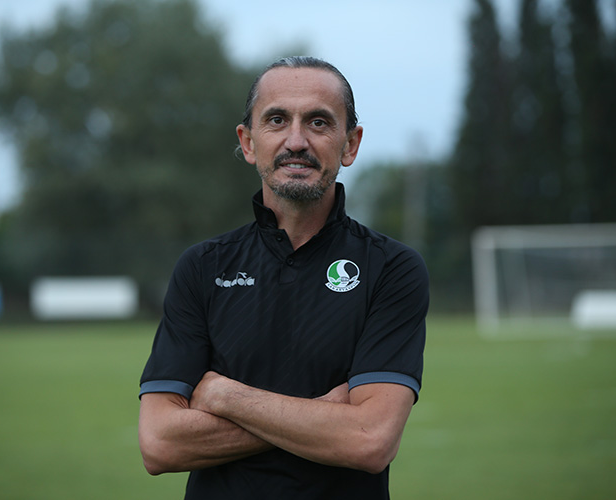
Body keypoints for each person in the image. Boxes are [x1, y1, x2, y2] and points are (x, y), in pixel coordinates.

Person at [137, 56, 428, 499]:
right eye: (276, 120)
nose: (296, 141)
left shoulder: (391, 268)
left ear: (350, 145)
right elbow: (160, 444)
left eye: (318, 122)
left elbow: (370, 440)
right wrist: (326, 413)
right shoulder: (202, 267)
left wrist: (226, 397)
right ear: (248, 142)